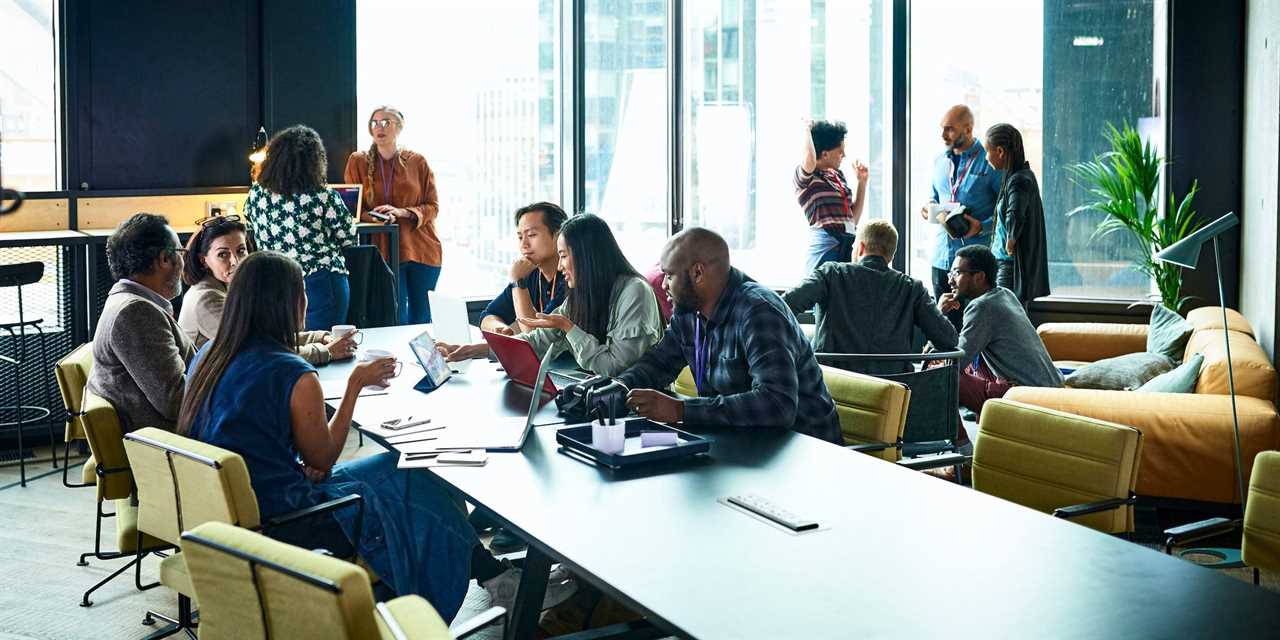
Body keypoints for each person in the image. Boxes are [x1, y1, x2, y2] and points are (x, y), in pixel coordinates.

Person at [177, 251, 574, 621]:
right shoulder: (291, 371)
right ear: (287, 302)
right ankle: (486, 585)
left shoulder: (209, 355)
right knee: (420, 478)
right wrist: (354, 387)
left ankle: (494, 577)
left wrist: (297, 463)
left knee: (410, 470)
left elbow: (249, 435)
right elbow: (323, 458)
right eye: (301, 293)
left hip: (240, 512)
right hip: (293, 519)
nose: (306, 303)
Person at [617, 228, 841, 443]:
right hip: (744, 444)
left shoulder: (759, 312)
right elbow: (659, 362)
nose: (664, 285)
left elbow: (777, 405)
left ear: (697, 273)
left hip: (805, 453)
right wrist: (618, 387)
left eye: (669, 275)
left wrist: (680, 410)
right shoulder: (689, 311)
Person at [781, 219, 958, 375]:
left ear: (861, 247)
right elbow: (949, 339)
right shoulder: (912, 289)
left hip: (832, 386)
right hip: (892, 396)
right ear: (890, 256)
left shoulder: (831, 274)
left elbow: (783, 305)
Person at [176, 215, 358, 364]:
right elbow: (260, 351)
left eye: (241, 251)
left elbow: (267, 338)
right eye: (223, 254)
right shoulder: (206, 299)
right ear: (203, 260)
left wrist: (320, 338)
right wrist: (326, 351)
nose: (235, 261)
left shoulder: (229, 287)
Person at [517, 214, 663, 377]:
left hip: (638, 398)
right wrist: (488, 348)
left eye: (563, 256)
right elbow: (537, 342)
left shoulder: (635, 291)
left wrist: (568, 327)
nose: (559, 267)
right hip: (602, 394)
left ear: (586, 256)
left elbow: (614, 368)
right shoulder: (583, 293)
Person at [87, 213, 195, 432]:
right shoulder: (135, 312)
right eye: (182, 252)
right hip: (171, 447)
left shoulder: (129, 303)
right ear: (165, 259)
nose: (184, 263)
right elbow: (175, 402)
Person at [245, 125, 357, 331]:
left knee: (284, 349)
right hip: (320, 281)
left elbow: (250, 227)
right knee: (325, 348)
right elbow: (349, 237)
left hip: (274, 281)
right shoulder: (323, 197)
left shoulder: (257, 195)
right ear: (315, 162)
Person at [343, 106, 443, 324]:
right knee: (396, 317)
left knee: (423, 317)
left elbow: (433, 206)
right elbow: (351, 209)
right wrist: (376, 217)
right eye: (374, 123)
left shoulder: (417, 161)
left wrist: (403, 212)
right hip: (384, 251)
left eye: (386, 122)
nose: (379, 127)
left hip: (422, 250)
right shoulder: (357, 161)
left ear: (400, 128)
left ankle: (422, 359)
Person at [436, 202, 569, 362]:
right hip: (543, 365)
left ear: (558, 235)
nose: (524, 244)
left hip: (569, 369)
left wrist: (518, 283)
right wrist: (502, 330)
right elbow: (487, 316)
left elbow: (535, 338)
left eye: (532, 235)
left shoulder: (571, 279)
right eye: (520, 236)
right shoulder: (531, 273)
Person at [939, 245, 1062, 414]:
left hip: (1027, 395)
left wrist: (939, 315)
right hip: (1051, 386)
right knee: (969, 359)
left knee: (944, 376)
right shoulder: (1005, 294)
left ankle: (961, 440)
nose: (950, 280)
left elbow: (954, 364)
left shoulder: (981, 307)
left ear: (979, 277)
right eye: (950, 273)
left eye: (956, 273)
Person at [919, 105, 1002, 329]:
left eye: (950, 129)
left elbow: (1004, 210)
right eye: (942, 129)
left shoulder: (989, 161)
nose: (943, 135)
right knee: (944, 326)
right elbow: (933, 197)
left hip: (973, 264)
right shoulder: (939, 161)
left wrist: (982, 227)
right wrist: (929, 208)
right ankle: (945, 365)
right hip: (941, 258)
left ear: (968, 128)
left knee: (975, 327)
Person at [985, 123, 1050, 307]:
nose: (986, 157)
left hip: (1009, 266)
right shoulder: (1017, 176)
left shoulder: (1019, 180)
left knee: (1007, 318)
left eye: (987, 151)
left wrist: (1011, 239)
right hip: (1006, 264)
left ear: (1000, 151)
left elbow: (1016, 212)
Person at [796, 120, 869, 274]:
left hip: (847, 244)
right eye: (840, 151)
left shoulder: (837, 175)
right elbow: (809, 160)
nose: (844, 155)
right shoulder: (806, 178)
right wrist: (807, 131)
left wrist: (862, 182)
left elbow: (852, 219)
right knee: (820, 292)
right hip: (825, 247)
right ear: (825, 153)